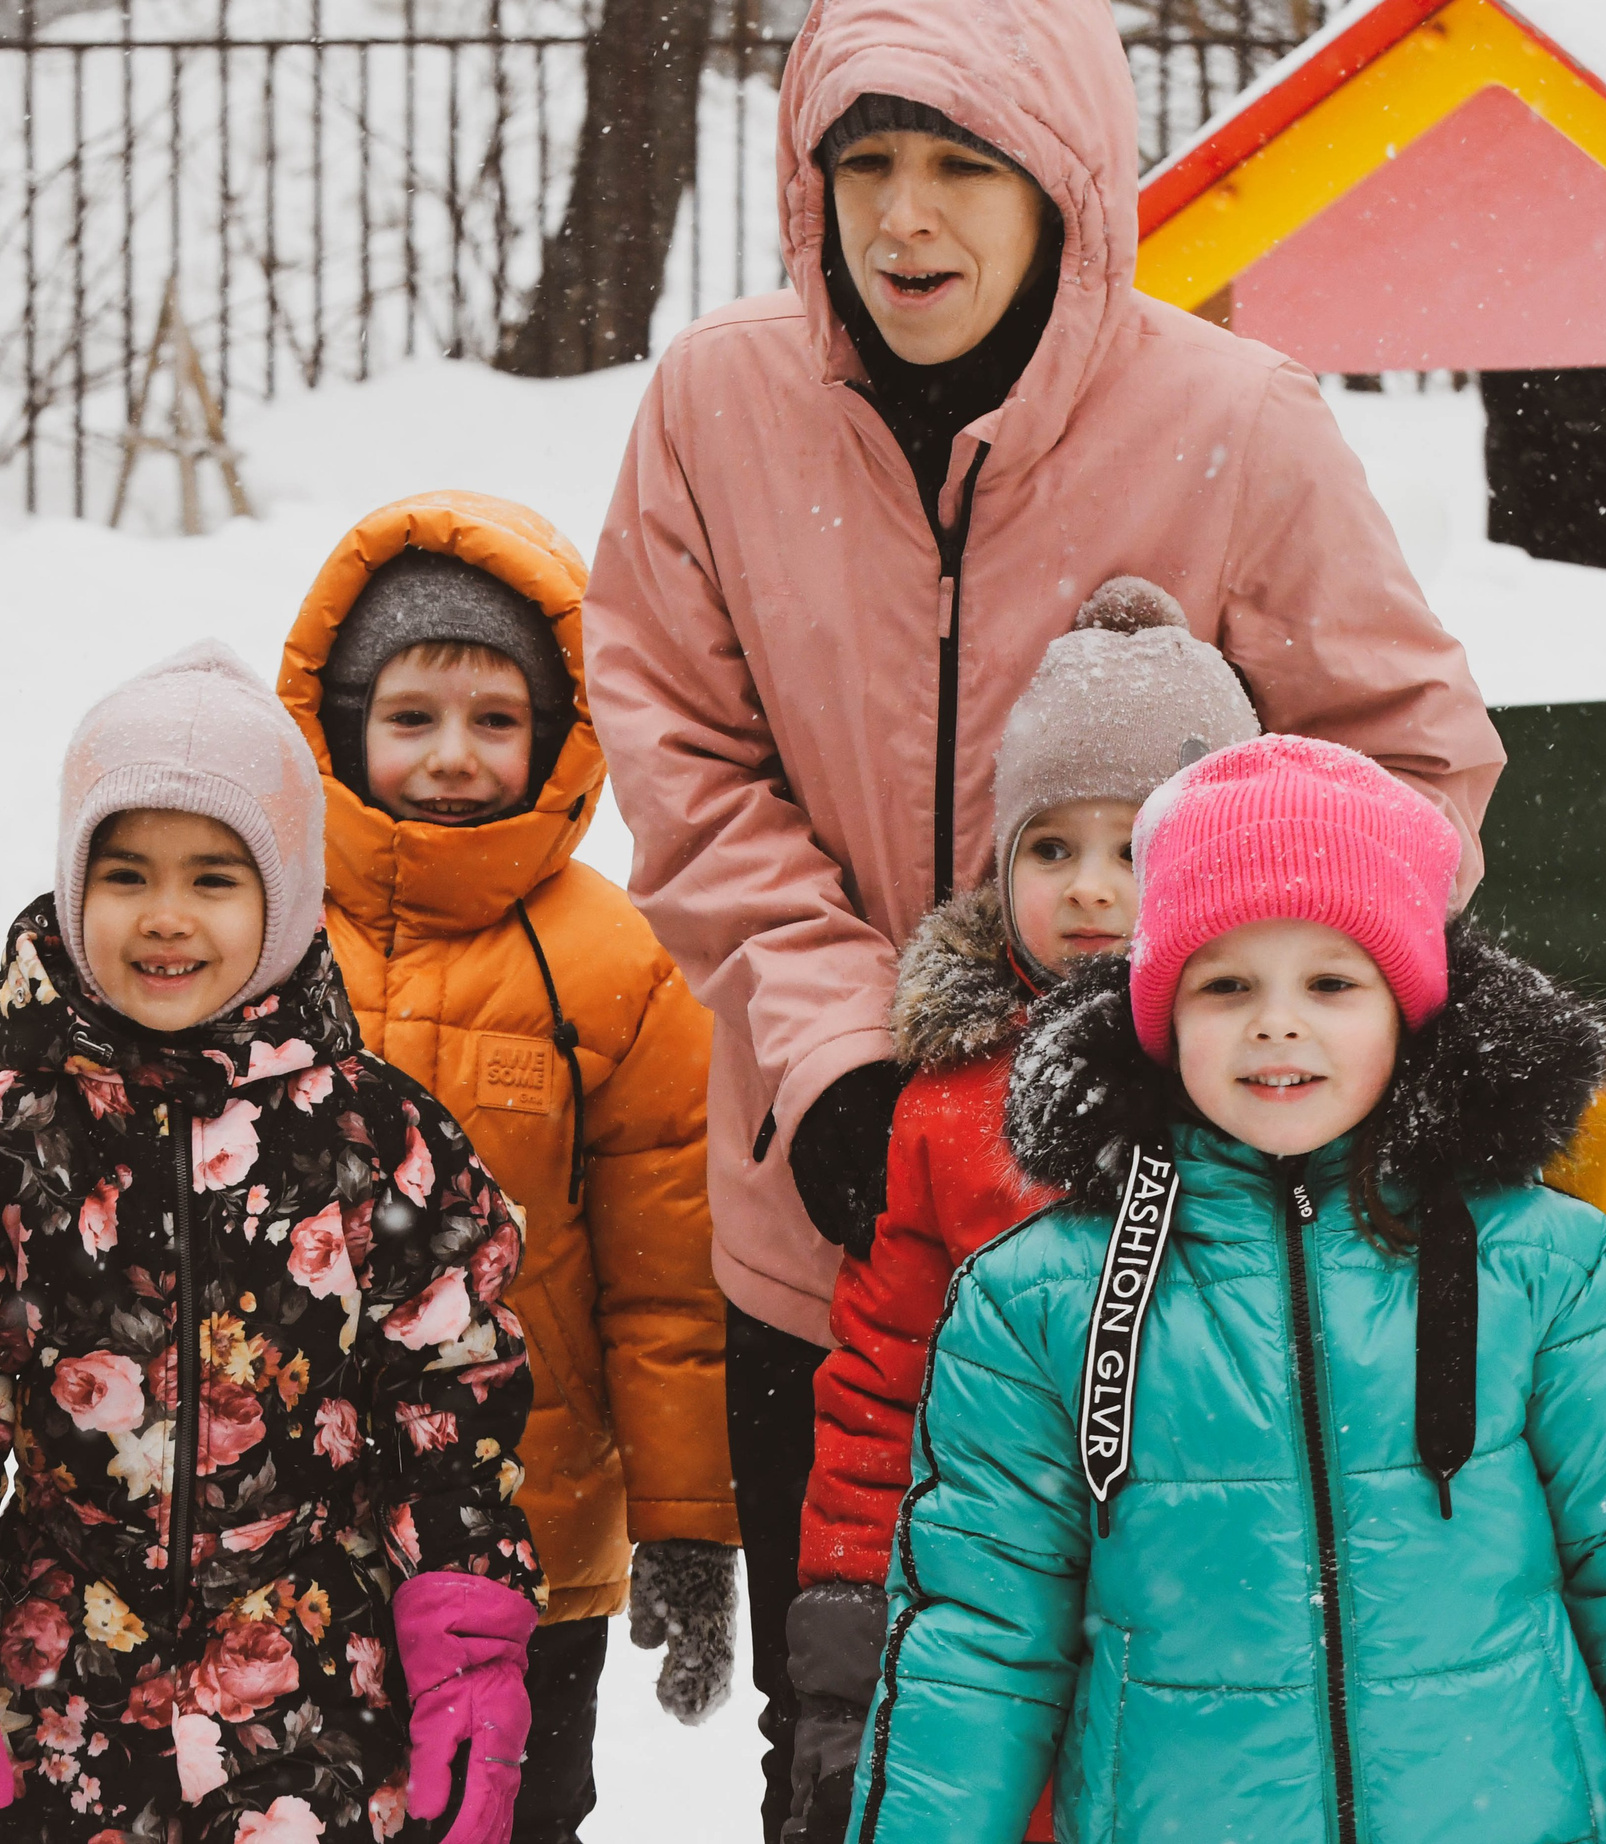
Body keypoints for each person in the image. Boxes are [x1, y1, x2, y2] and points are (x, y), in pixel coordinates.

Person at [579, 0, 1503, 1827]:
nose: (905, 221)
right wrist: (842, 1056)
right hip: (829, 1231)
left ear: (1066, 177)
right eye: (866, 165)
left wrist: (1217, 1037)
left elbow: (1409, 768)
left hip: (1174, 1244)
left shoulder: (1234, 422)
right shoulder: (720, 407)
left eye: (959, 167)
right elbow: (681, 751)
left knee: (1141, 1738)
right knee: (851, 1734)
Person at [851, 732, 1606, 1843]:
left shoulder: (1549, 1267)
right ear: (1158, 1015)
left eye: (1329, 980)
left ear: (1407, 1006)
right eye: (1224, 983)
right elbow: (979, 1634)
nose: (1277, 1021)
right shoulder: (1039, 1300)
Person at [0, 639, 543, 1844]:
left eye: (214, 877)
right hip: (62, 1692)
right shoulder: (2, 1139)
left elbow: (452, 1402)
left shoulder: (375, 1134)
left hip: (318, 1691)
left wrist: (464, 1649)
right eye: (126, 872)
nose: (165, 917)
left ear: (286, 895)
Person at [277, 493, 738, 1844]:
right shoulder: (263, 929)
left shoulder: (620, 966)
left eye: (497, 720)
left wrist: (689, 1523)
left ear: (559, 734)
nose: (454, 758)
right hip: (284, 1533)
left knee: (511, 1815)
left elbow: (666, 1289)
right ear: (340, 723)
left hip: (526, 1535)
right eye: (412, 718)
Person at [780, 578, 1257, 1843]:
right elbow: (884, 1377)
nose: (1093, 889)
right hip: (1011, 1600)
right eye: (1053, 848)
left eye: (1135, 848)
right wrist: (842, 1625)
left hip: (1236, 1603)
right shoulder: (945, 1107)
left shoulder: (1273, 1081)